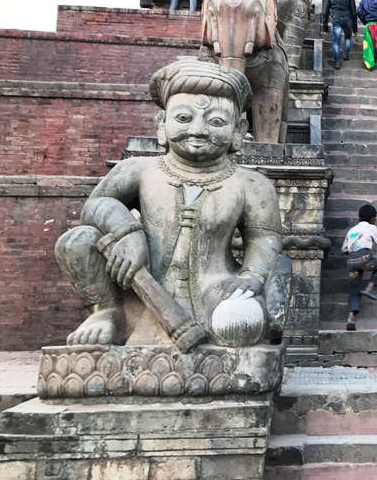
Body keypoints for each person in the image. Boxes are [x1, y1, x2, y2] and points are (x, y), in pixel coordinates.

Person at [54, 60, 287, 348]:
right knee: (77, 240)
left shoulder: (250, 183)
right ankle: (107, 313)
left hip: (216, 287)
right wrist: (127, 233)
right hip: (138, 283)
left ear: (238, 131)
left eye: (216, 121)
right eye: (184, 118)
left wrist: (251, 276)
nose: (198, 130)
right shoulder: (139, 169)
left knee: (239, 325)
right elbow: (97, 203)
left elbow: (264, 237)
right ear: (162, 125)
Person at [342, 204, 377, 331]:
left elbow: (343, 248)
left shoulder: (351, 231)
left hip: (351, 262)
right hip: (364, 258)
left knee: (355, 291)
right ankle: (369, 289)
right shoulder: (372, 227)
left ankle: (351, 319)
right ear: (373, 219)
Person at [321, 0, 358, 69]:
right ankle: (345, 53)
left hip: (336, 19)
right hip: (348, 19)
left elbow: (325, 13)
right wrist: (355, 28)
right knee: (348, 38)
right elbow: (353, 12)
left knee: (336, 42)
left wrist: (325, 27)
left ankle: (337, 61)